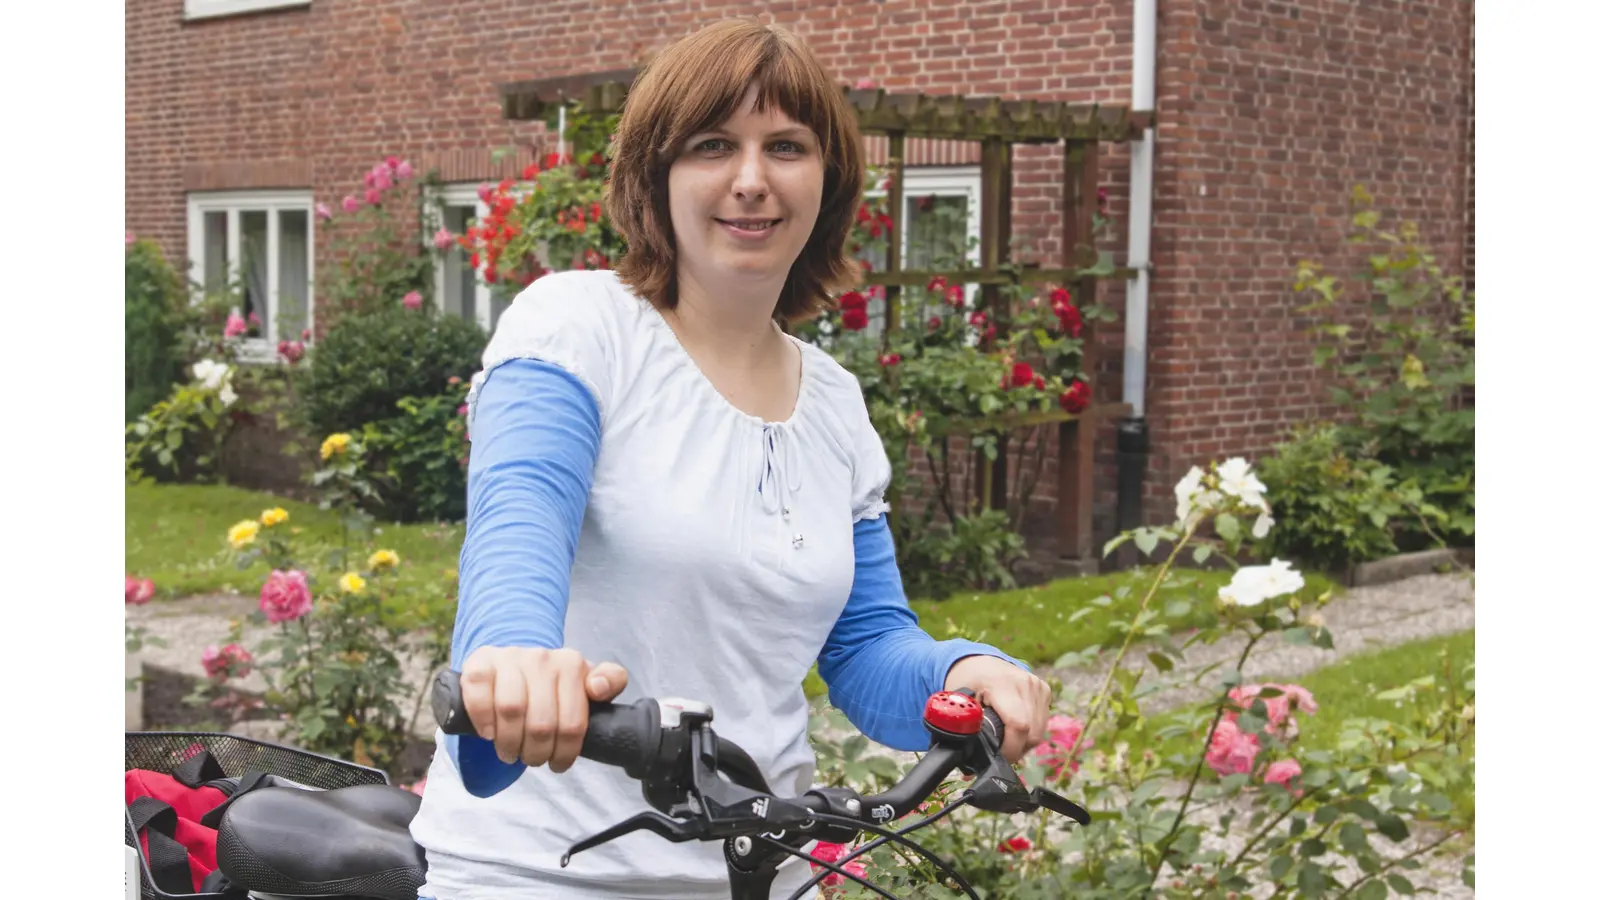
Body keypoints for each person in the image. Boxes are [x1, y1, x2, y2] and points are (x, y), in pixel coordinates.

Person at [408, 18, 1054, 900]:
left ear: (825, 182)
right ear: (657, 176)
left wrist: (959, 671)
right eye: (714, 145)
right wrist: (515, 660)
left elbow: (865, 648)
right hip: (537, 873)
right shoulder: (576, 327)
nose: (752, 180)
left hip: (758, 873)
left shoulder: (833, 402)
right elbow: (518, 524)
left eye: (785, 146)